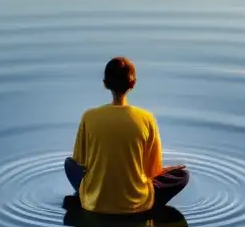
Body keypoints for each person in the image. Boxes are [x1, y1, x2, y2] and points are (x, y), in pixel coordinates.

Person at [64, 57, 189, 216]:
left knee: (69, 164)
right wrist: (167, 171)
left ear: (105, 83)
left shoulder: (89, 117)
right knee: (182, 175)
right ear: (133, 84)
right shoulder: (147, 118)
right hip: (138, 203)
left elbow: (80, 163)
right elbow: (151, 172)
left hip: (94, 203)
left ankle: (87, 196)